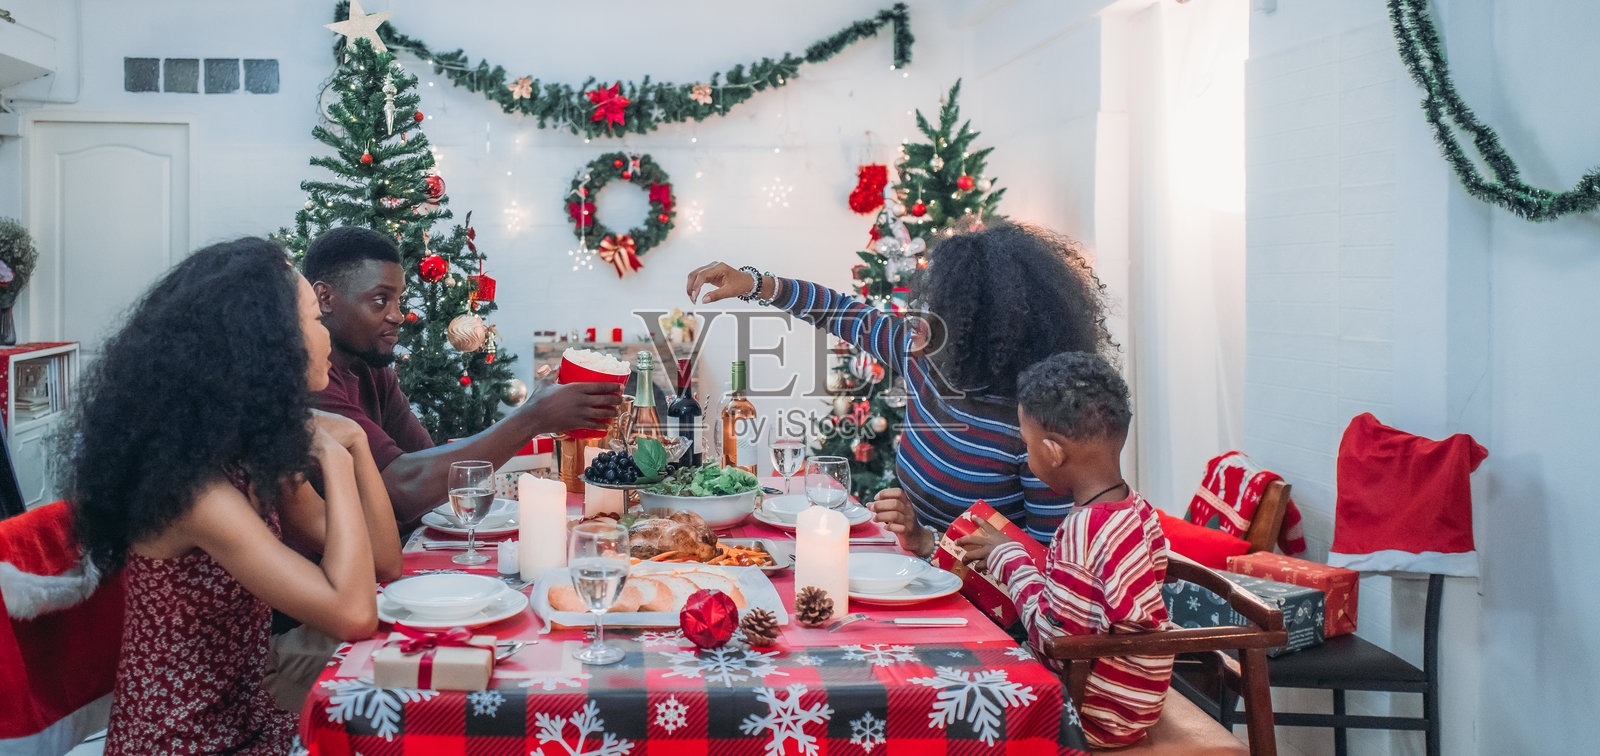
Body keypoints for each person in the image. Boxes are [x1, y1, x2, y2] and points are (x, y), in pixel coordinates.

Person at [68, 238, 402, 755]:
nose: (327, 341)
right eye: (315, 322)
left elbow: (384, 563)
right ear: (269, 344)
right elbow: (354, 614)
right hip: (187, 744)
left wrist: (354, 441)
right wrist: (335, 462)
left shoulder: (250, 456)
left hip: (250, 724)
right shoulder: (196, 491)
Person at [685, 222, 1113, 556]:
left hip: (988, 616)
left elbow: (1041, 564)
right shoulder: (924, 358)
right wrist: (756, 285)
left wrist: (928, 541)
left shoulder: (1032, 424)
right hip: (911, 569)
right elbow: (840, 312)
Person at [301, 227, 623, 522]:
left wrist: (538, 414)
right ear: (325, 298)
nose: (398, 315)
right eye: (380, 300)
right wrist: (533, 417)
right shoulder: (310, 382)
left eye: (399, 299)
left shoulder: (374, 369)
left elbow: (428, 466)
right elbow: (402, 489)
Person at [956, 352, 1171, 749]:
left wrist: (1009, 558)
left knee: (951, 699)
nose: (1026, 456)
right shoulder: (1137, 509)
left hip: (1089, 711)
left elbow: (1054, 645)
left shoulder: (1082, 532)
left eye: (1027, 446)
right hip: (1136, 700)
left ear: (1054, 453)